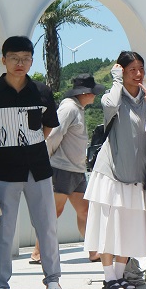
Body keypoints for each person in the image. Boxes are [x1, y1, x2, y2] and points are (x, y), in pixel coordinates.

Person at [0, 35, 65, 289]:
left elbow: (48, 126)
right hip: (2, 171)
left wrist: (29, 145)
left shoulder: (42, 92)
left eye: (25, 58)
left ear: (32, 61)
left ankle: (53, 280)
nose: (19, 63)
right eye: (14, 58)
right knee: (3, 231)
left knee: (47, 226)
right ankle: (0, 287)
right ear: (4, 60)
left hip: (38, 170)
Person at [84, 51, 146, 289]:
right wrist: (116, 79)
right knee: (108, 229)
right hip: (111, 174)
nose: (138, 74)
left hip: (136, 175)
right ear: (122, 71)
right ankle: (109, 280)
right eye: (131, 70)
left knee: (129, 229)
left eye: (141, 68)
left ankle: (120, 276)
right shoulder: (113, 96)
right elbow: (109, 106)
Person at [30, 73, 104, 265]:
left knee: (85, 211)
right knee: (54, 211)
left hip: (76, 170)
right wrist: (46, 158)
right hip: (61, 168)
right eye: (92, 92)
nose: (94, 95)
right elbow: (54, 134)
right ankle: (38, 252)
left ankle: (93, 251)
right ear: (85, 93)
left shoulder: (78, 109)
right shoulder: (69, 108)